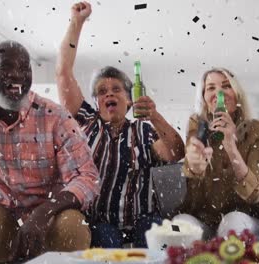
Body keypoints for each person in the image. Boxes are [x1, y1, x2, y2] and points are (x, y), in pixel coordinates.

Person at [0, 40, 100, 263]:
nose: (17, 75)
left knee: (73, 226)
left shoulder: (55, 116)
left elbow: (87, 177)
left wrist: (44, 212)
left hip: (51, 213)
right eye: (6, 67)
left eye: (24, 68)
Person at [56, 1, 185, 248]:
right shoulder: (85, 120)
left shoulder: (145, 130)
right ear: (96, 101)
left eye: (116, 89)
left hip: (144, 220)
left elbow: (175, 153)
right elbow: (63, 72)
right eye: (102, 91)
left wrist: (155, 116)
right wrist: (77, 22)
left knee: (157, 240)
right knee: (107, 241)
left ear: (128, 99)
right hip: (101, 222)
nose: (109, 94)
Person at [173, 68, 259, 239]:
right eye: (210, 88)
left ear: (237, 93)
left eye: (226, 86)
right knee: (180, 225)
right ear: (204, 98)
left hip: (244, 218)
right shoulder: (197, 124)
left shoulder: (256, 130)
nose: (219, 92)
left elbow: (256, 195)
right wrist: (195, 166)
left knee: (232, 223)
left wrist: (231, 147)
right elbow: (191, 164)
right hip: (202, 220)